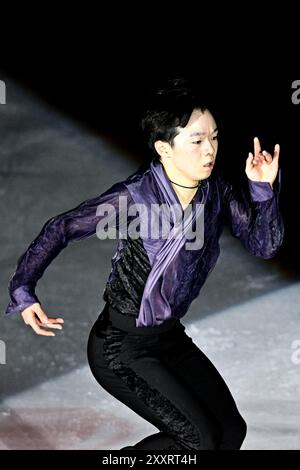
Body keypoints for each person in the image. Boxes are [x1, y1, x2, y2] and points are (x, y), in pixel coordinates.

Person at [4, 78, 284, 450]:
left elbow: (263, 245)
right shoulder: (135, 197)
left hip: (168, 338)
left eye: (214, 137)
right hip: (121, 348)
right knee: (199, 440)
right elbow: (63, 227)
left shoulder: (216, 188)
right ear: (164, 148)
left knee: (231, 432)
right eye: (197, 141)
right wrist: (23, 290)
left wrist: (263, 189)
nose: (210, 150)